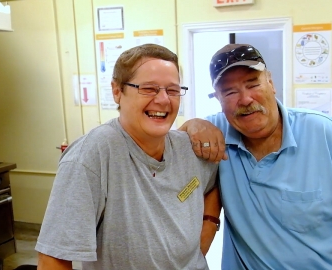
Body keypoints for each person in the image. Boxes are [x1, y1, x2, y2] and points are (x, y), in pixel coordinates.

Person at [181, 44, 332, 269]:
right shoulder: (217, 136)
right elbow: (171, 151)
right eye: (230, 92)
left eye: (253, 84)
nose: (246, 99)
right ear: (218, 98)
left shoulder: (326, 133)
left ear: (270, 82)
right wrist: (192, 124)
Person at [35, 44, 220, 270]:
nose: (163, 100)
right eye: (149, 88)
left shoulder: (189, 150)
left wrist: (209, 223)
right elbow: (52, 259)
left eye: (172, 90)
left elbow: (212, 183)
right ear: (117, 91)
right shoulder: (93, 155)